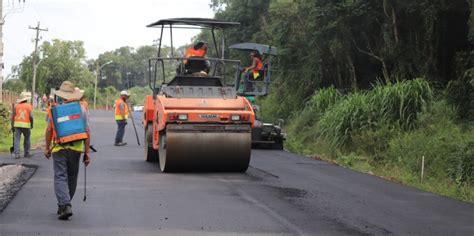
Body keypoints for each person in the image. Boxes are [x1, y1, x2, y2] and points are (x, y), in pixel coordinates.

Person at [44, 80, 91, 220]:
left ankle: (64, 204)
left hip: (59, 147)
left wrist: (47, 148)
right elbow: (87, 131)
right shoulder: (82, 109)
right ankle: (65, 203)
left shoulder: (54, 110)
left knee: (60, 176)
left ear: (62, 96)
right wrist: (87, 152)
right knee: (71, 177)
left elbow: (48, 130)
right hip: (76, 149)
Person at [11, 94, 33, 159]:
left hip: (17, 125)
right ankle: (26, 153)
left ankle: (17, 154)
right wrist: (32, 124)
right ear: (26, 99)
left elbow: (12, 117)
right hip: (26, 125)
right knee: (27, 139)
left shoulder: (16, 106)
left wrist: (12, 126)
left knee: (17, 139)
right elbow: (31, 117)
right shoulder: (29, 106)